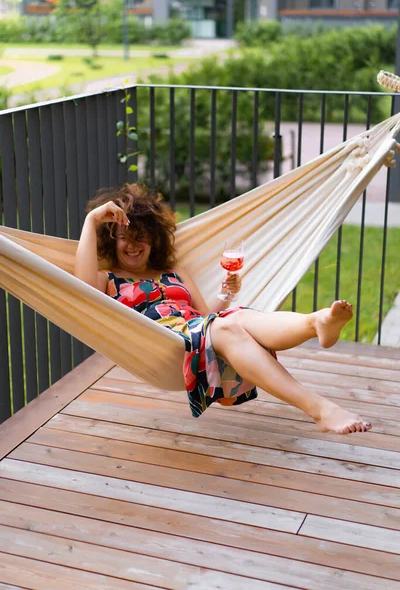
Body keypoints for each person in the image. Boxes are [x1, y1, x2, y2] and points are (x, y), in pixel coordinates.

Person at [74, 183, 372, 434]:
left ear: (154, 240)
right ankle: (319, 408)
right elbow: (82, 290)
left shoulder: (174, 272)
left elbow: (206, 316)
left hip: (199, 329)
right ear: (112, 241)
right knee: (230, 326)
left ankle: (316, 322)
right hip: (162, 338)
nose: (134, 245)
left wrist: (225, 295)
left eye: (142, 237)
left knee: (240, 317)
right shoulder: (107, 279)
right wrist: (92, 220)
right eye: (125, 236)